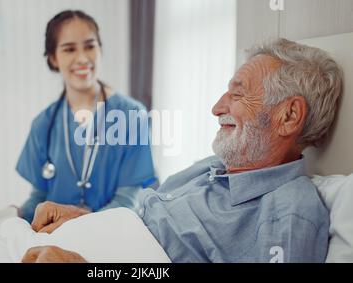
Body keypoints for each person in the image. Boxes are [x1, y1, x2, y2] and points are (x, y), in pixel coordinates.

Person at [21, 38, 343, 263]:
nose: (217, 108)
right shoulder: (211, 168)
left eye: (238, 95)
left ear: (288, 116)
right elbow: (143, 225)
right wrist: (83, 219)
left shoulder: (289, 213)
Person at [15, 10, 156, 223]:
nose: (82, 58)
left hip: (110, 238)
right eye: (69, 49)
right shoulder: (43, 124)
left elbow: (128, 201)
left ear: (100, 50)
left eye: (90, 46)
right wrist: (16, 216)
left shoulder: (132, 116)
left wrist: (80, 226)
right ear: (54, 58)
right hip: (53, 240)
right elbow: (39, 197)